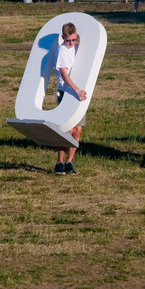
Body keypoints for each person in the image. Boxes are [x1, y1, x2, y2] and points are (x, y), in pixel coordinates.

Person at [54, 22, 87, 175]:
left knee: (78, 129)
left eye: (74, 40)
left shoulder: (76, 48)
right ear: (63, 38)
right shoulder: (62, 51)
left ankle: (69, 162)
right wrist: (76, 90)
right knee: (68, 128)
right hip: (66, 91)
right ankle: (59, 163)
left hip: (79, 92)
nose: (72, 43)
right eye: (69, 41)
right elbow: (64, 75)